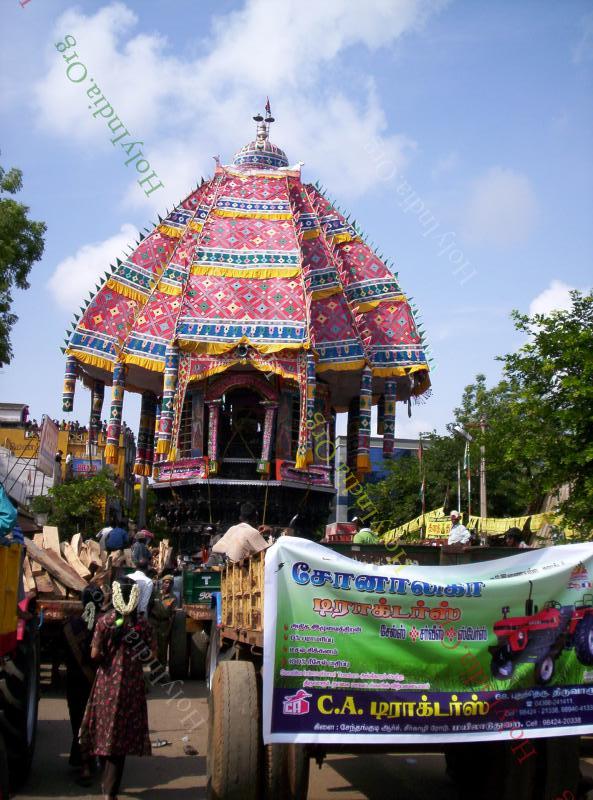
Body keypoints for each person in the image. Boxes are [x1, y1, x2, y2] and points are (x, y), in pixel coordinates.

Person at [80, 577, 152, 800]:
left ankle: (104, 783)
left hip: (106, 684)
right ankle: (109, 788)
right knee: (120, 738)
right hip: (131, 687)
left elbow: (94, 654)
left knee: (103, 730)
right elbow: (151, 656)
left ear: (115, 594)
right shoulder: (143, 625)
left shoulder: (104, 622)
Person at [63, 585, 105, 781]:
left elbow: (62, 656)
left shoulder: (70, 626)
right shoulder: (104, 625)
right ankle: (100, 762)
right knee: (97, 723)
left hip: (75, 683)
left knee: (79, 723)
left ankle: (84, 766)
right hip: (98, 683)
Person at [149, 575, 177, 670]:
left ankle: (161, 672)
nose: (167, 584)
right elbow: (149, 608)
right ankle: (153, 671)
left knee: (163, 649)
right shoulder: (155, 594)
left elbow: (173, 615)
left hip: (164, 625)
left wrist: (169, 630)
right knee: (153, 648)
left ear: (172, 585)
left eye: (169, 583)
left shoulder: (173, 598)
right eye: (165, 582)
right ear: (162, 583)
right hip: (153, 623)